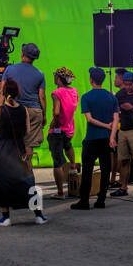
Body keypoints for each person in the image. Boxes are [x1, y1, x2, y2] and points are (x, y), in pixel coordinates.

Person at [0, 78, 46, 226]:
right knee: (28, 182)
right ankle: (39, 216)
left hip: (2, 151)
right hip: (20, 150)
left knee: (2, 183)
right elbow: (27, 131)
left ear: (4, 93)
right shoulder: (24, 109)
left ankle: (5, 217)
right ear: (18, 93)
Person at [71, 67, 118, 211]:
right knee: (105, 170)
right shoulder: (112, 97)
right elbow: (116, 120)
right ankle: (101, 200)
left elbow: (89, 119)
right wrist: (111, 136)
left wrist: (104, 126)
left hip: (91, 139)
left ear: (91, 80)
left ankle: (84, 201)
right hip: (106, 140)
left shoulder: (86, 97)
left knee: (87, 171)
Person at [3, 43, 46, 172]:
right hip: (34, 111)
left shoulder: (10, 70)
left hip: (14, 110)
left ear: (22, 54)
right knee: (28, 146)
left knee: (13, 143)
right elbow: (42, 97)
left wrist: (1, 110)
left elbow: (2, 91)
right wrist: (44, 115)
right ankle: (28, 175)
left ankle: (13, 175)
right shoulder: (40, 74)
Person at [48, 66, 78, 199]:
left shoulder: (56, 93)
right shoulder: (74, 91)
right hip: (69, 128)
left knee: (57, 162)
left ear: (59, 79)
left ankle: (60, 192)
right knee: (68, 146)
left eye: (55, 75)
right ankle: (73, 166)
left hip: (58, 130)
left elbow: (56, 112)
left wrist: (54, 124)